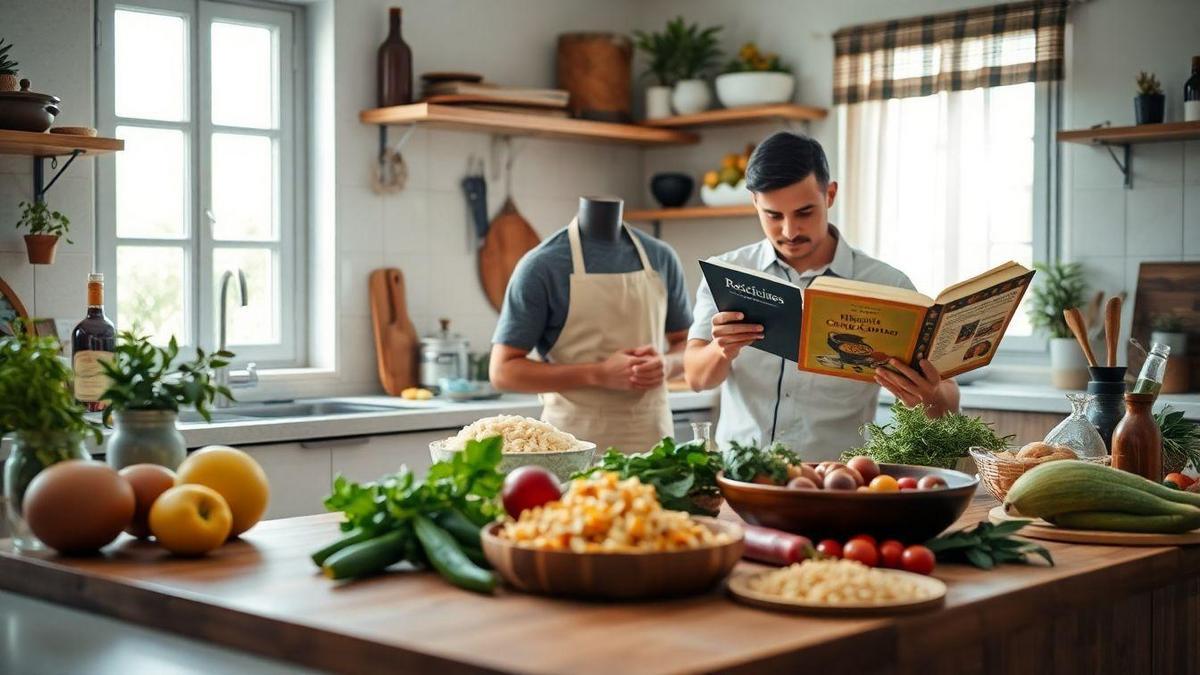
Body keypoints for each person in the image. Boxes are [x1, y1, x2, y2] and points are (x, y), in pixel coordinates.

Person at [684, 132, 960, 459]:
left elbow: (947, 403)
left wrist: (928, 396)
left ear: (830, 195)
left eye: (804, 212)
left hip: (840, 483)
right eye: (773, 215)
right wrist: (722, 348)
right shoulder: (728, 273)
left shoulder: (888, 285)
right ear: (755, 202)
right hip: (741, 476)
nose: (789, 231)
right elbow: (696, 378)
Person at [490, 196, 693, 452]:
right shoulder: (542, 266)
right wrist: (598, 373)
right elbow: (503, 372)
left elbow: (687, 344)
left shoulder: (661, 257)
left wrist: (667, 364)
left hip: (653, 442)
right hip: (570, 446)